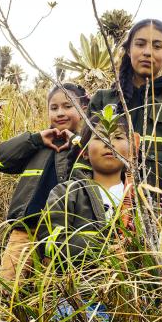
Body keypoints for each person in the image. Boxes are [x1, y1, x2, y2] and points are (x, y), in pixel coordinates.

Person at [89, 19, 162, 211]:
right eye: (140, 44)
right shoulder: (103, 100)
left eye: (157, 46)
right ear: (129, 50)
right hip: (106, 208)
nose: (147, 52)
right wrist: (87, 198)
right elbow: (82, 155)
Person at [0, 83, 88, 284]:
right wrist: (35, 140)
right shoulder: (37, 145)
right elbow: (0, 160)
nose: (60, 113)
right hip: (25, 231)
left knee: (53, 296)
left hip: (62, 236)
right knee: (7, 291)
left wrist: (78, 142)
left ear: (83, 109)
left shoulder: (88, 146)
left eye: (68, 106)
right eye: (54, 108)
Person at [39, 111, 130, 263]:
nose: (109, 142)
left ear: (131, 150)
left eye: (118, 137)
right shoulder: (67, 192)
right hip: (79, 284)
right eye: (100, 137)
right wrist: (102, 249)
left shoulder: (142, 197)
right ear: (85, 152)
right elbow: (49, 244)